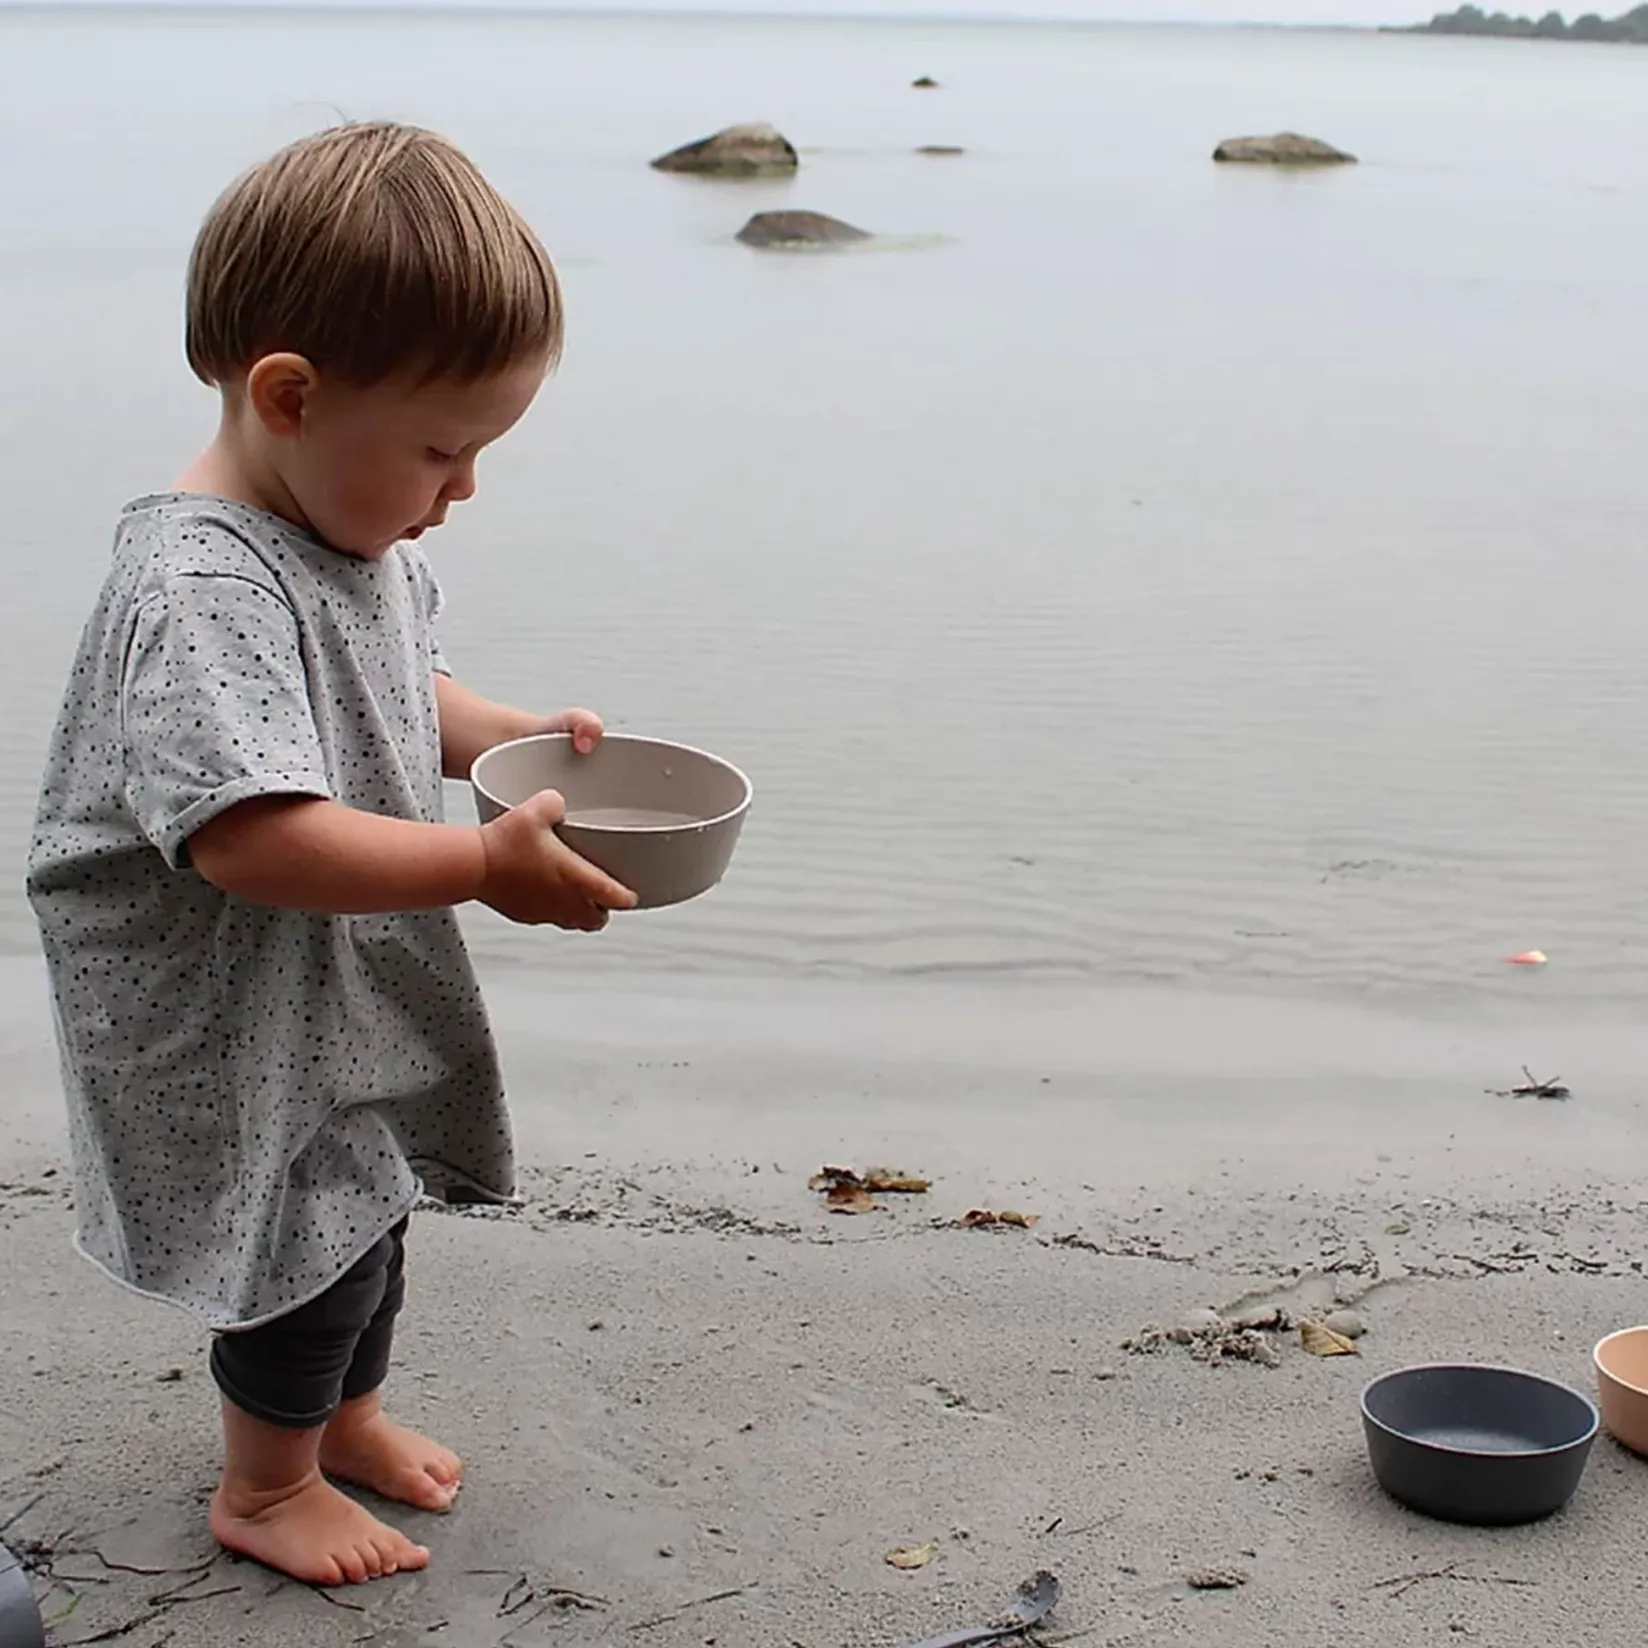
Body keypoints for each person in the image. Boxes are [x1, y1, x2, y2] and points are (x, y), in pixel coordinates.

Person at [25, 120, 636, 1588]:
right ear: (288, 396)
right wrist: (485, 866)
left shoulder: (348, 537)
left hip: (317, 981)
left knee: (368, 1197)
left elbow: (391, 692)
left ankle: (345, 1415)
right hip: (216, 999)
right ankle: (266, 1483)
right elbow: (255, 838)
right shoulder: (194, 586)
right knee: (304, 1231)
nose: (465, 487)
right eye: (445, 447)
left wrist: (509, 742)